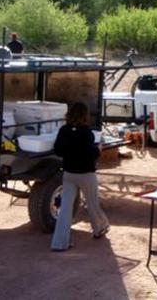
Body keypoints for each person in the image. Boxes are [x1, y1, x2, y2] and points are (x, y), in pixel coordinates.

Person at [51, 102, 110, 251]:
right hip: (86, 174)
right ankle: (99, 228)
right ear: (85, 115)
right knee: (92, 203)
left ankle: (59, 243)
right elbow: (91, 154)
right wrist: (98, 150)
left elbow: (57, 150)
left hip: (69, 173)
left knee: (65, 208)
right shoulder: (86, 133)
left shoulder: (63, 130)